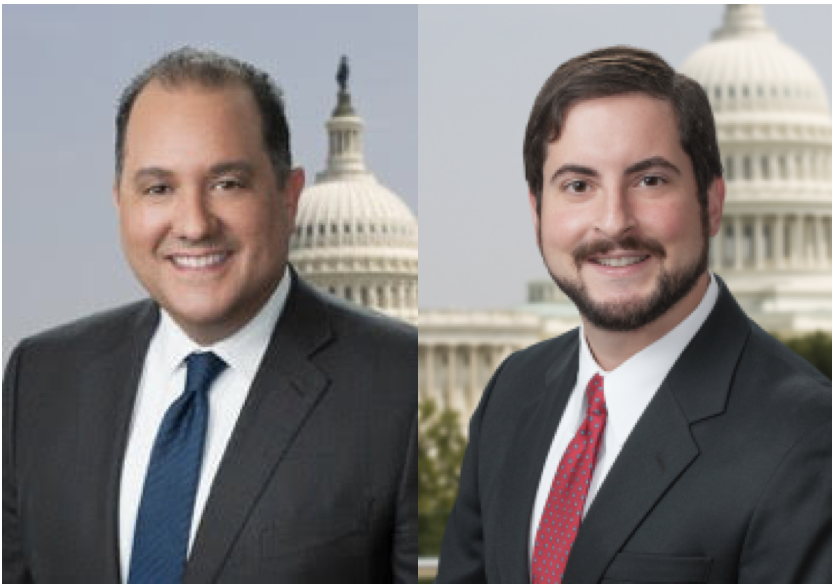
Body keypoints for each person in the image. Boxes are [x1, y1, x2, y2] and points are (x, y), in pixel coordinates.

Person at [3, 47, 417, 584]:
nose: (194, 224)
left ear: (289, 197)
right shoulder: (42, 378)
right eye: (158, 188)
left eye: (227, 184)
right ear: (120, 203)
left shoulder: (400, 386)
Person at [435, 46, 832, 584]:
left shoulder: (806, 436)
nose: (613, 222)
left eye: (649, 181)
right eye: (578, 186)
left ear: (711, 202)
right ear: (537, 212)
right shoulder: (512, 392)